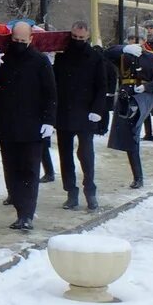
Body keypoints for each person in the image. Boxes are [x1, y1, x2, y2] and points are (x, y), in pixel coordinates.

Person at [0, 22, 57, 230]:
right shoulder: (4, 58)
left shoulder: (40, 61)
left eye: (22, 40)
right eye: (15, 40)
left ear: (30, 39)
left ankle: (26, 214)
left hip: (32, 125)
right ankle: (19, 208)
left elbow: (50, 93)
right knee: (11, 169)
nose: (18, 44)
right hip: (8, 123)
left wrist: (49, 120)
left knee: (29, 170)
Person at [53, 22, 107, 211]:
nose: (77, 41)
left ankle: (90, 191)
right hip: (64, 112)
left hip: (86, 112)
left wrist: (97, 110)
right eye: (74, 37)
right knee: (65, 155)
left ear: (88, 38)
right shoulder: (61, 57)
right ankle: (71, 192)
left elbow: (102, 86)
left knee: (86, 154)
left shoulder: (95, 57)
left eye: (81, 39)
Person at [105, 42, 153, 188]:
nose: (135, 42)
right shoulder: (121, 55)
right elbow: (106, 54)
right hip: (126, 95)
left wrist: (147, 86)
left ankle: (138, 177)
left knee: (133, 126)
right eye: (130, 39)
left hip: (143, 96)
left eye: (138, 39)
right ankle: (137, 176)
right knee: (130, 136)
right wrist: (123, 48)